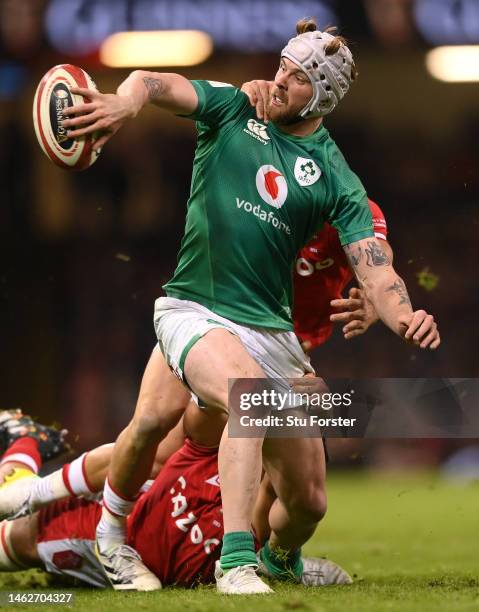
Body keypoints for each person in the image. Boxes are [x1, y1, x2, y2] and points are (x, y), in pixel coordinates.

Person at [61, 18, 440, 594]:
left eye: (300, 76)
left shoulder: (336, 177)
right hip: (195, 307)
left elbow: (376, 267)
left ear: (326, 96)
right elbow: (156, 82)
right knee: (235, 402)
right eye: (284, 64)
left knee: (308, 499)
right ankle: (213, 558)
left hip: (272, 333)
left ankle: (279, 560)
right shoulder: (238, 107)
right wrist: (123, 102)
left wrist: (404, 315)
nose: (282, 78)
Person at [0, 406, 352, 589]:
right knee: (15, 514)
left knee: (16, 541)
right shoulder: (212, 444)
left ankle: (24, 442)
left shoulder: (256, 520)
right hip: (98, 513)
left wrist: (294, 565)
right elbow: (126, 454)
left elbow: (291, 509)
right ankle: (25, 442)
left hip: (100, 546)